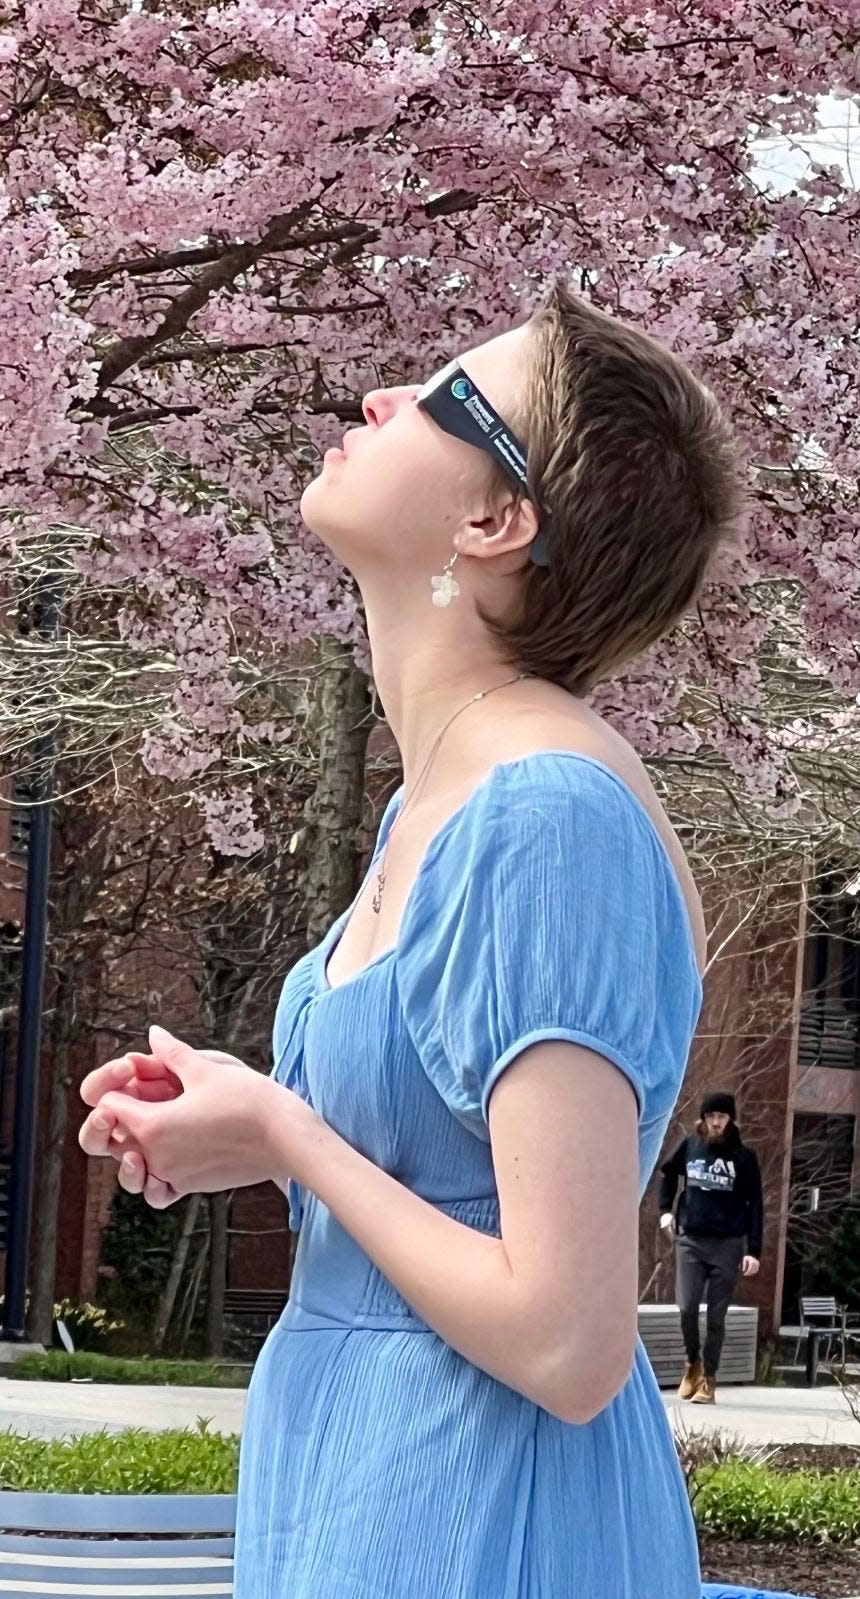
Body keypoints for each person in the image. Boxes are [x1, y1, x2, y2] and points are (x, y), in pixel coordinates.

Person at [78, 281, 741, 1598]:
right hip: (354, 1466)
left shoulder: (549, 815)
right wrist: (232, 1130)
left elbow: (565, 1337)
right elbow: (438, 1196)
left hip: (479, 1503)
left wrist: (284, 1131)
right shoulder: (425, 807)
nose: (378, 398)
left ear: (497, 519)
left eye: (444, 399)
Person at [660, 1091, 763, 1405]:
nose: (716, 1122)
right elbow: (667, 1173)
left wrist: (753, 1250)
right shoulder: (690, 1147)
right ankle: (693, 1364)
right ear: (703, 1118)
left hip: (728, 1245)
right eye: (711, 1116)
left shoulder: (744, 1158)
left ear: (730, 1119)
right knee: (687, 1307)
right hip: (691, 1240)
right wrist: (666, 1211)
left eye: (722, 1116)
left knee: (716, 1318)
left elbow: (755, 1204)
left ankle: (710, 1379)